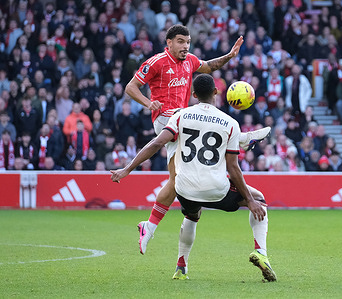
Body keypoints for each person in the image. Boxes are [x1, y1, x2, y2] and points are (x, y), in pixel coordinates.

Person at [111, 74, 276, 282]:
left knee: (191, 215)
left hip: (184, 189)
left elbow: (155, 144)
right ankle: (260, 251)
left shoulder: (180, 116)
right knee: (259, 198)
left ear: (194, 95)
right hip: (216, 190)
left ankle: (181, 267)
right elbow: (233, 168)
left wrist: (127, 169)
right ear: (216, 92)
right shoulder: (230, 123)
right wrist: (250, 202)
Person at [125, 24, 270, 255]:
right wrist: (147, 102)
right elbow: (130, 87)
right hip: (166, 119)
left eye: (188, 42)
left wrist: (230, 56)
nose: (185, 46)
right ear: (169, 42)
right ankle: (241, 139)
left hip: (183, 121)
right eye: (181, 41)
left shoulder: (190, 61)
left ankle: (149, 227)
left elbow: (209, 66)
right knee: (203, 126)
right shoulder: (155, 62)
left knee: (175, 180)